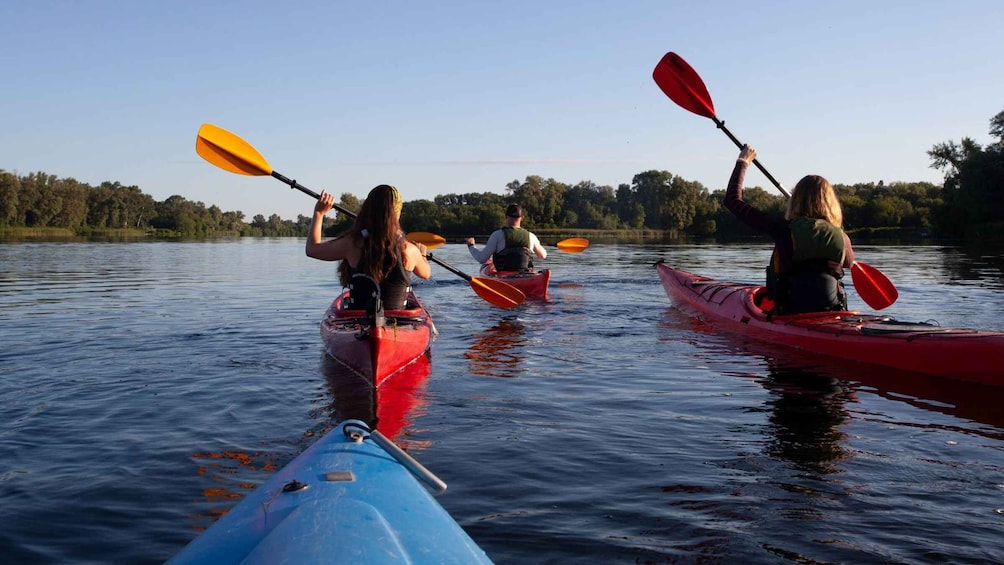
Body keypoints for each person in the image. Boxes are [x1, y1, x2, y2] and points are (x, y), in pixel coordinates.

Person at [724, 145, 856, 315]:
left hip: (790, 313)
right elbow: (849, 263)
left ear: (795, 201)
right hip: (832, 312)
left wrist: (743, 162)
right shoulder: (842, 237)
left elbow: (732, 201)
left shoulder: (783, 229)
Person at [306, 184, 430, 310]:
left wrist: (319, 213)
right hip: (399, 322)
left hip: (358, 320)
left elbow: (312, 249)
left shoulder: (352, 244)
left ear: (367, 209)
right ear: (398, 213)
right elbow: (426, 274)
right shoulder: (409, 250)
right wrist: (422, 255)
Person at [465, 204, 547, 274]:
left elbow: (481, 259)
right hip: (525, 275)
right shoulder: (531, 236)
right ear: (522, 218)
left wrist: (471, 246)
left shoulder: (497, 235)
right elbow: (543, 256)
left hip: (503, 277)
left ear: (506, 217)